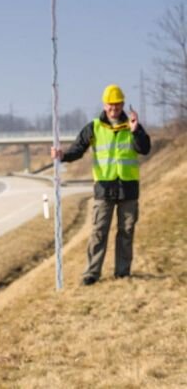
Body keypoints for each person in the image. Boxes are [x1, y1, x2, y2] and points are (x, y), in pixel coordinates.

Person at [51, 84, 151, 286]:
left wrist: (136, 130)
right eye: (110, 105)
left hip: (128, 188)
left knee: (126, 231)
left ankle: (122, 272)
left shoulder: (133, 126)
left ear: (122, 104)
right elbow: (78, 149)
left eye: (117, 104)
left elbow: (144, 149)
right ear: (104, 105)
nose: (113, 108)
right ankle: (91, 273)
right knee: (99, 231)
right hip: (104, 189)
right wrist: (62, 156)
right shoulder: (94, 127)